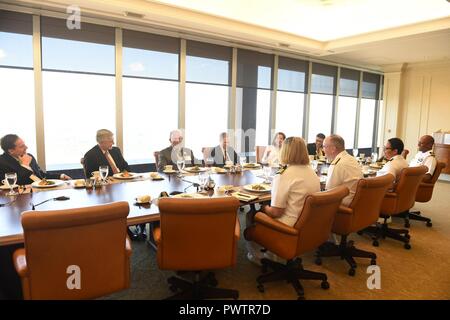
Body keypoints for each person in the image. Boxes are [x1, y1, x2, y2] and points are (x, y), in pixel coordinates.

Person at [246, 137, 320, 265]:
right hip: (309, 225)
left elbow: (275, 213)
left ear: (284, 152)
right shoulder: (312, 172)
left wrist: (264, 208)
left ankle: (257, 257)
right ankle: (273, 253)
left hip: (289, 227)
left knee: (251, 214)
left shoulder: (284, 174)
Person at [0, 134, 71, 185]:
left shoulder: (29, 156)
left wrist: (60, 176)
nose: (26, 147)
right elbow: (15, 183)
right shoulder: (2, 162)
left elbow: (41, 175)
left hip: (41, 191)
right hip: (22, 198)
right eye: (22, 146)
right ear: (11, 150)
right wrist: (25, 165)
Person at [323, 134, 363, 207]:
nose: (323, 150)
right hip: (357, 202)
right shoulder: (351, 159)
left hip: (344, 204)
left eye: (324, 147)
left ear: (333, 149)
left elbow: (329, 191)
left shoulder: (337, 164)